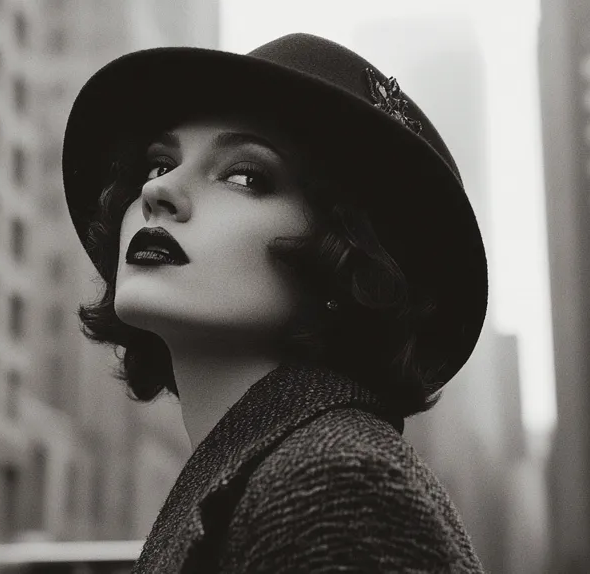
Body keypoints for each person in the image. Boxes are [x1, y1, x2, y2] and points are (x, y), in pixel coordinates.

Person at [62, 32, 489, 573]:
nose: (159, 190)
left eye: (245, 176)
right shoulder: (267, 471)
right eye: (158, 164)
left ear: (348, 259)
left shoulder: (336, 484)